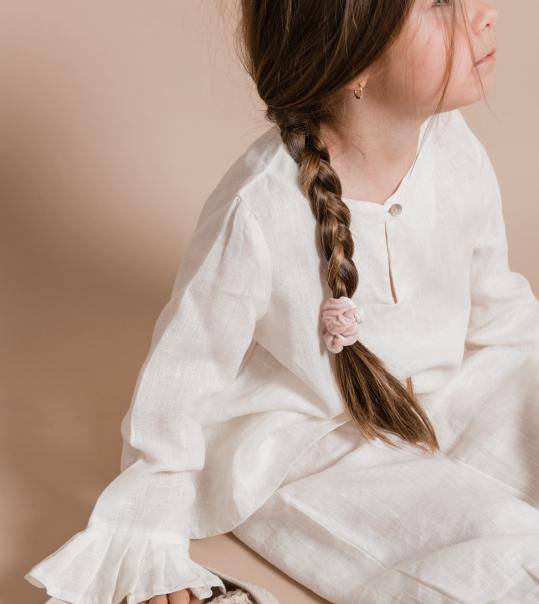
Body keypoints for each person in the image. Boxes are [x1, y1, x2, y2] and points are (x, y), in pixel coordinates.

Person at [24, 0, 539, 602]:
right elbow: (183, 377)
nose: (486, 12)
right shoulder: (261, 208)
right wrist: (149, 531)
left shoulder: (453, 146)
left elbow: (498, 308)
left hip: (441, 387)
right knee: (502, 553)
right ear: (354, 60)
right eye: (439, 3)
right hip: (310, 439)